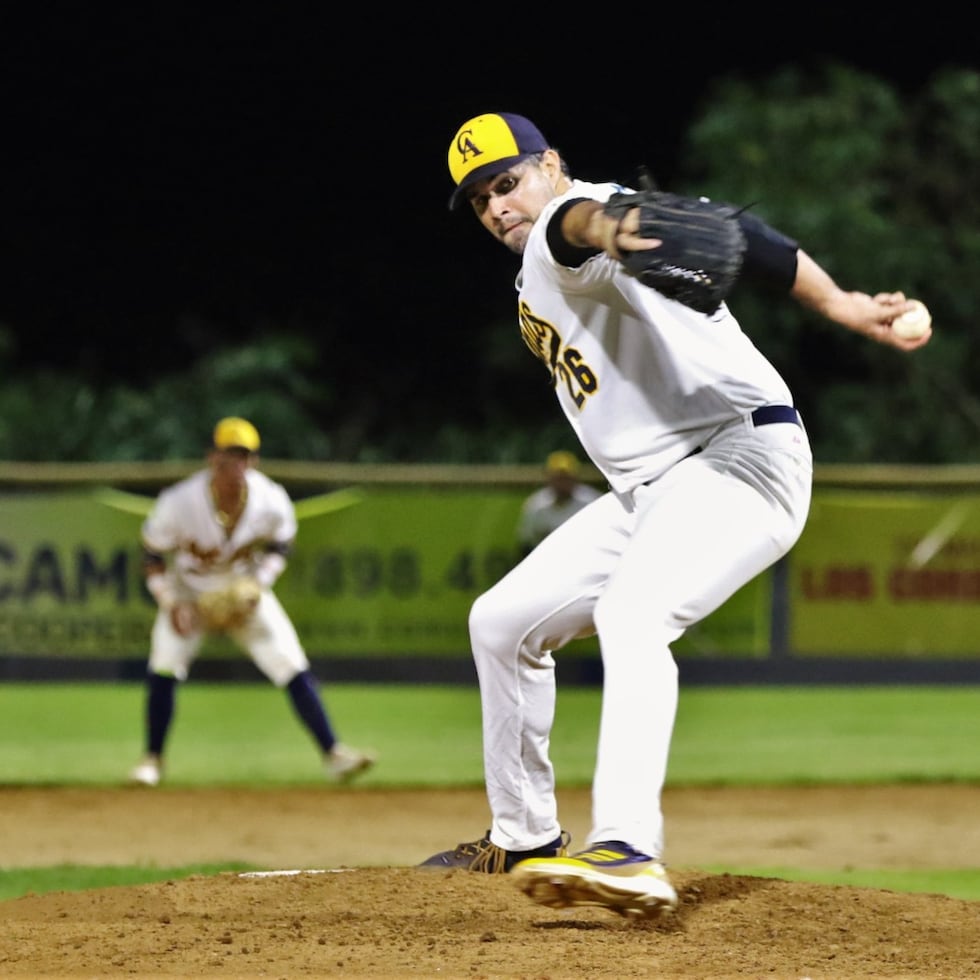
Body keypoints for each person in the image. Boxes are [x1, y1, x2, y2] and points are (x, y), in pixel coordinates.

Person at [420, 112, 932, 916]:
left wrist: (841, 306)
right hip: (652, 491)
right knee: (500, 623)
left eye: (507, 181)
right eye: (481, 198)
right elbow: (741, 233)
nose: (497, 206)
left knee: (632, 615)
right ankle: (524, 837)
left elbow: (585, 223)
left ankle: (628, 849)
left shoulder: (567, 216)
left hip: (738, 460)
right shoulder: (557, 243)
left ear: (552, 164)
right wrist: (842, 303)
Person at [128, 416, 376, 787]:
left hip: (244, 593)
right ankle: (152, 761)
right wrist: (169, 602)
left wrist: (258, 584)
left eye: (245, 455)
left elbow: (282, 543)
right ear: (212, 457)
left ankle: (334, 754)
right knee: (164, 664)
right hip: (190, 596)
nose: (237, 464)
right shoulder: (179, 502)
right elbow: (151, 554)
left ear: (254, 460)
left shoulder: (270, 499)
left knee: (290, 662)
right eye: (230, 454)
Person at [516, 450, 603, 558]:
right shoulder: (536, 506)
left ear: (575, 477)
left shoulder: (592, 503)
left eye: (566, 477)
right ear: (548, 477)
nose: (562, 483)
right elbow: (526, 543)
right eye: (558, 478)